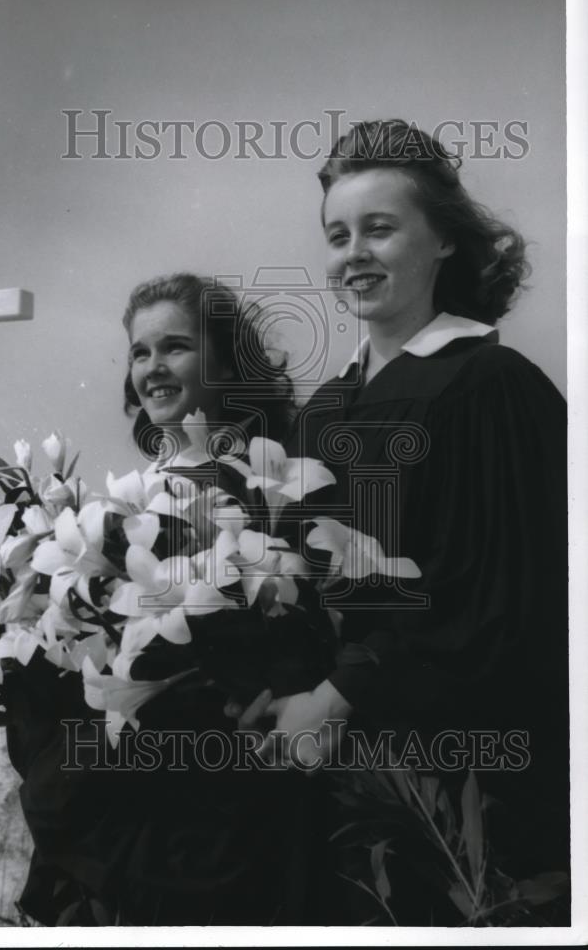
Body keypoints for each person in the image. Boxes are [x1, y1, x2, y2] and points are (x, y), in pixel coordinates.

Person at [234, 119, 569, 920]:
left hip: (460, 786)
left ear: (443, 241)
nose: (353, 253)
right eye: (337, 234)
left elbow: (506, 607)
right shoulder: (322, 414)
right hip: (329, 782)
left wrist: (341, 695)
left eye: (379, 229)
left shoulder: (492, 387)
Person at [4, 273, 335, 925]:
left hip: (213, 808)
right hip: (124, 785)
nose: (152, 368)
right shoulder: (127, 493)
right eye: (139, 352)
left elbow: (306, 624)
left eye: (174, 347)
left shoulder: (270, 480)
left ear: (224, 360)